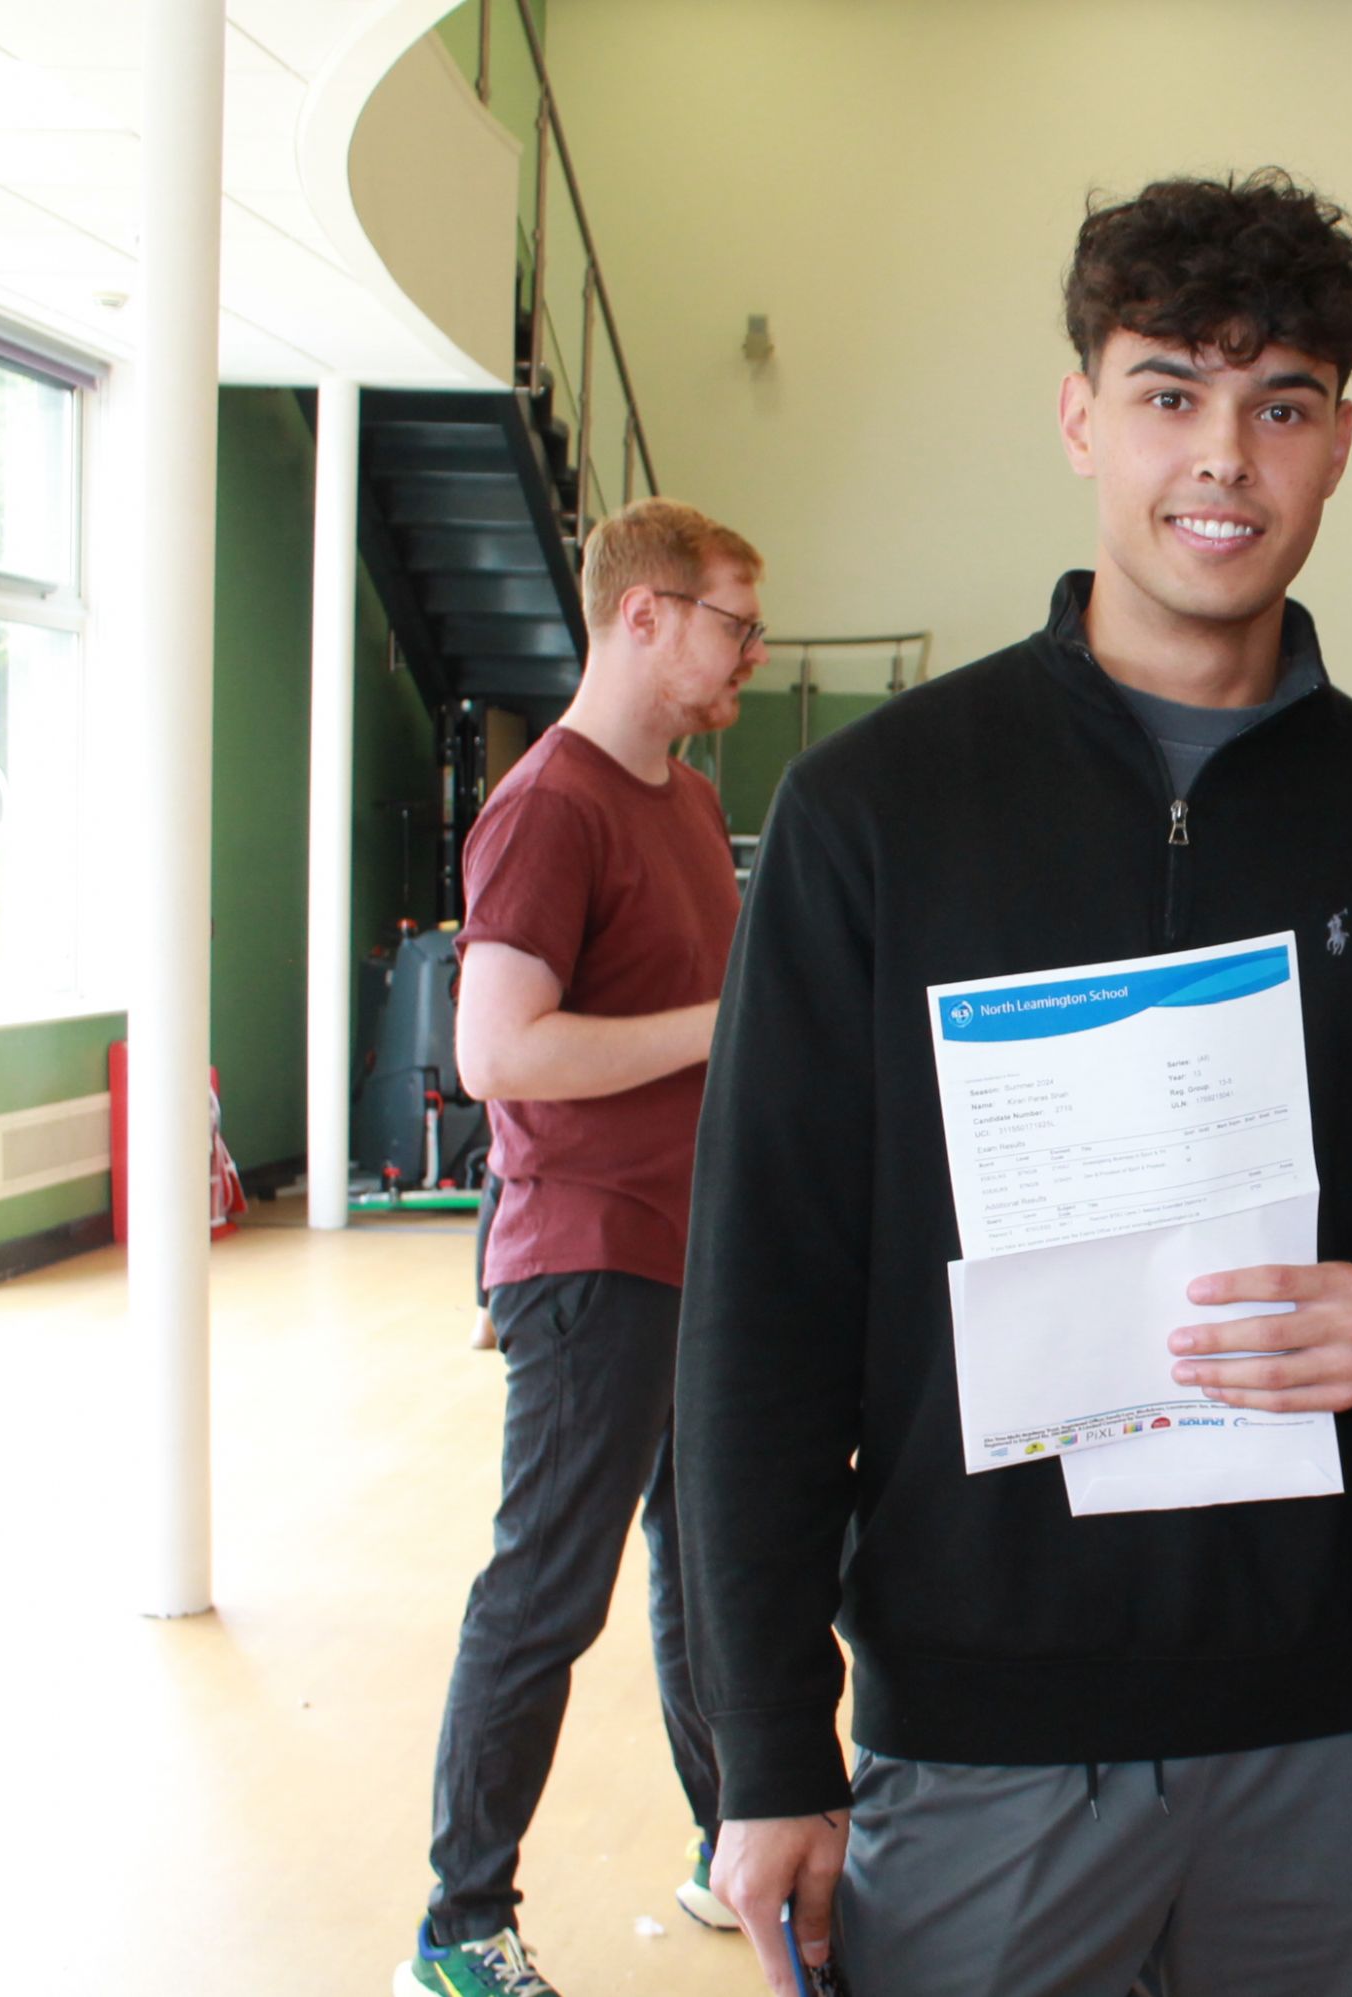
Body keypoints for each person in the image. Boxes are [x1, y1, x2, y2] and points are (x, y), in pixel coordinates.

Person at [671, 170, 1352, 1997]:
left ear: (1339, 443)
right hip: (974, 1732)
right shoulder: (874, 812)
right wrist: (763, 1750)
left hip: (1326, 1718)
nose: (1222, 457)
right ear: (1080, 417)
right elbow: (760, 1301)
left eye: (1278, 403)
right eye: (1168, 392)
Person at [397, 498, 764, 1997]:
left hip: (690, 1246)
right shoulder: (550, 805)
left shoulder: (676, 797)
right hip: (589, 1254)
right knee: (549, 1592)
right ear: (644, 616)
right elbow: (498, 1050)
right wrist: (726, 1032)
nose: (749, 651)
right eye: (733, 623)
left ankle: (726, 1839)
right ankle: (457, 1924)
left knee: (709, 1570)